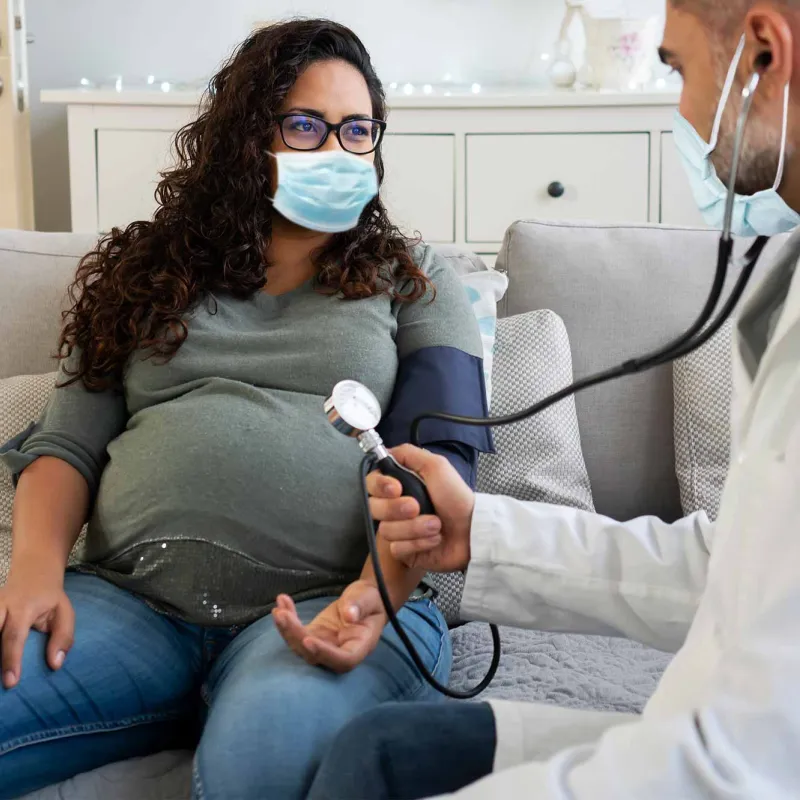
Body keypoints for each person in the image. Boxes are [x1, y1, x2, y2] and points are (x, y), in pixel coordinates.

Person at [308, 2, 800, 798]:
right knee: (382, 754)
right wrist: (485, 533)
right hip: (717, 726)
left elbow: (743, 766)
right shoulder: (786, 282)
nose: (680, 107)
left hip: (747, 762)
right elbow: (732, 566)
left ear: (764, 54)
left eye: (676, 67)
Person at [0, 19, 492, 800]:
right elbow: (66, 446)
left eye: (356, 129)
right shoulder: (147, 271)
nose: (335, 149)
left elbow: (439, 470)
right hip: (132, 604)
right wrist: (31, 574)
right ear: (244, 138)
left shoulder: (415, 278)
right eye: (303, 125)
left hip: (335, 599)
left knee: (263, 764)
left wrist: (373, 595)